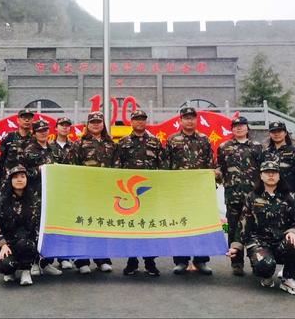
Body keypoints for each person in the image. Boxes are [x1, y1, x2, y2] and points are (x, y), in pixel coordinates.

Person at [227, 161, 295, 296]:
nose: (271, 175)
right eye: (267, 172)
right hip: (260, 243)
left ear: (279, 176)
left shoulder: (289, 197)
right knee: (265, 266)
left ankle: (288, 278)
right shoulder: (252, 197)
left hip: (281, 241)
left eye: (274, 172)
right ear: (261, 176)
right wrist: (236, 246)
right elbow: (243, 224)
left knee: (294, 242)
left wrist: (293, 232)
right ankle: (266, 275)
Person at [164, 106, 214, 275]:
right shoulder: (172, 140)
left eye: (192, 118)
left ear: (196, 120)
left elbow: (209, 164)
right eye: (186, 118)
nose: (189, 121)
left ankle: (201, 260)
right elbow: (166, 166)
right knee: (181, 224)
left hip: (199, 191)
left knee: (201, 224)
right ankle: (181, 260)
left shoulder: (204, 139)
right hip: (179, 191)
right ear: (180, 120)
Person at [116, 109, 163, 276]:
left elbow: (162, 166)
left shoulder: (155, 142)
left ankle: (150, 261)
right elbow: (117, 167)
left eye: (142, 119)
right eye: (136, 119)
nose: (139, 122)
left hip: (149, 192)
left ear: (146, 121)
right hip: (129, 193)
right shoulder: (123, 142)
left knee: (149, 227)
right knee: (131, 227)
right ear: (131, 122)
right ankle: (132, 261)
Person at [69, 111, 117, 274]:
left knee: (101, 225)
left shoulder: (110, 144)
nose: (96, 124)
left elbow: (116, 168)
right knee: (84, 225)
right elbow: (72, 168)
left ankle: (102, 259)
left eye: (99, 122)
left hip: (104, 192)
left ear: (103, 125)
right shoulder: (79, 144)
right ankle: (82, 261)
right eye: (93, 122)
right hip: (85, 191)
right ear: (87, 125)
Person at [261, 121, 295, 281]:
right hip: (272, 198)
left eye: (280, 131)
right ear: (270, 134)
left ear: (285, 133)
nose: (276, 134)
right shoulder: (266, 153)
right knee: (274, 231)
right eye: (273, 131)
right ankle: (279, 264)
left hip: (291, 198)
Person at [216, 116, 262, 276]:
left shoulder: (257, 147)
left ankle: (257, 260)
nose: (239, 128)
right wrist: (216, 174)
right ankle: (236, 263)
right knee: (233, 228)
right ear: (232, 129)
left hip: (254, 197)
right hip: (233, 196)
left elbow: (264, 170)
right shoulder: (224, 147)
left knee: (253, 229)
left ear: (247, 128)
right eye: (235, 126)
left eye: (242, 125)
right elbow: (219, 168)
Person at [23, 119, 62, 276]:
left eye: (45, 130)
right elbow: (23, 172)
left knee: (49, 229)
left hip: (52, 195)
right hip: (35, 195)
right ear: (34, 133)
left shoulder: (54, 148)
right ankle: (33, 262)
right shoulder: (29, 150)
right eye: (40, 131)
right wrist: (39, 170)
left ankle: (46, 263)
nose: (43, 133)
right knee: (34, 229)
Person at [0, 165, 38, 286]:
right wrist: (3, 244)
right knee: (6, 265)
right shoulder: (1, 203)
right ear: (10, 180)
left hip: (26, 243)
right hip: (7, 243)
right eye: (15, 177)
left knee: (25, 244)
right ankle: (10, 270)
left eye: (22, 176)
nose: (19, 179)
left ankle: (26, 271)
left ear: (27, 179)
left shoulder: (35, 202)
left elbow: (39, 225)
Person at [48, 116, 73, 270]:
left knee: (68, 223)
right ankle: (49, 258)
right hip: (53, 191)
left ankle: (65, 256)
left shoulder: (75, 147)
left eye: (67, 125)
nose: (64, 128)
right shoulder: (48, 147)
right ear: (56, 128)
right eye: (61, 125)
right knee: (53, 224)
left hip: (69, 191)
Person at [0, 108, 35, 190]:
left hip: (30, 184)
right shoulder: (9, 137)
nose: (27, 120)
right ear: (18, 120)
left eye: (29, 118)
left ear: (32, 121)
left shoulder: (35, 139)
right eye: (24, 118)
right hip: (9, 183)